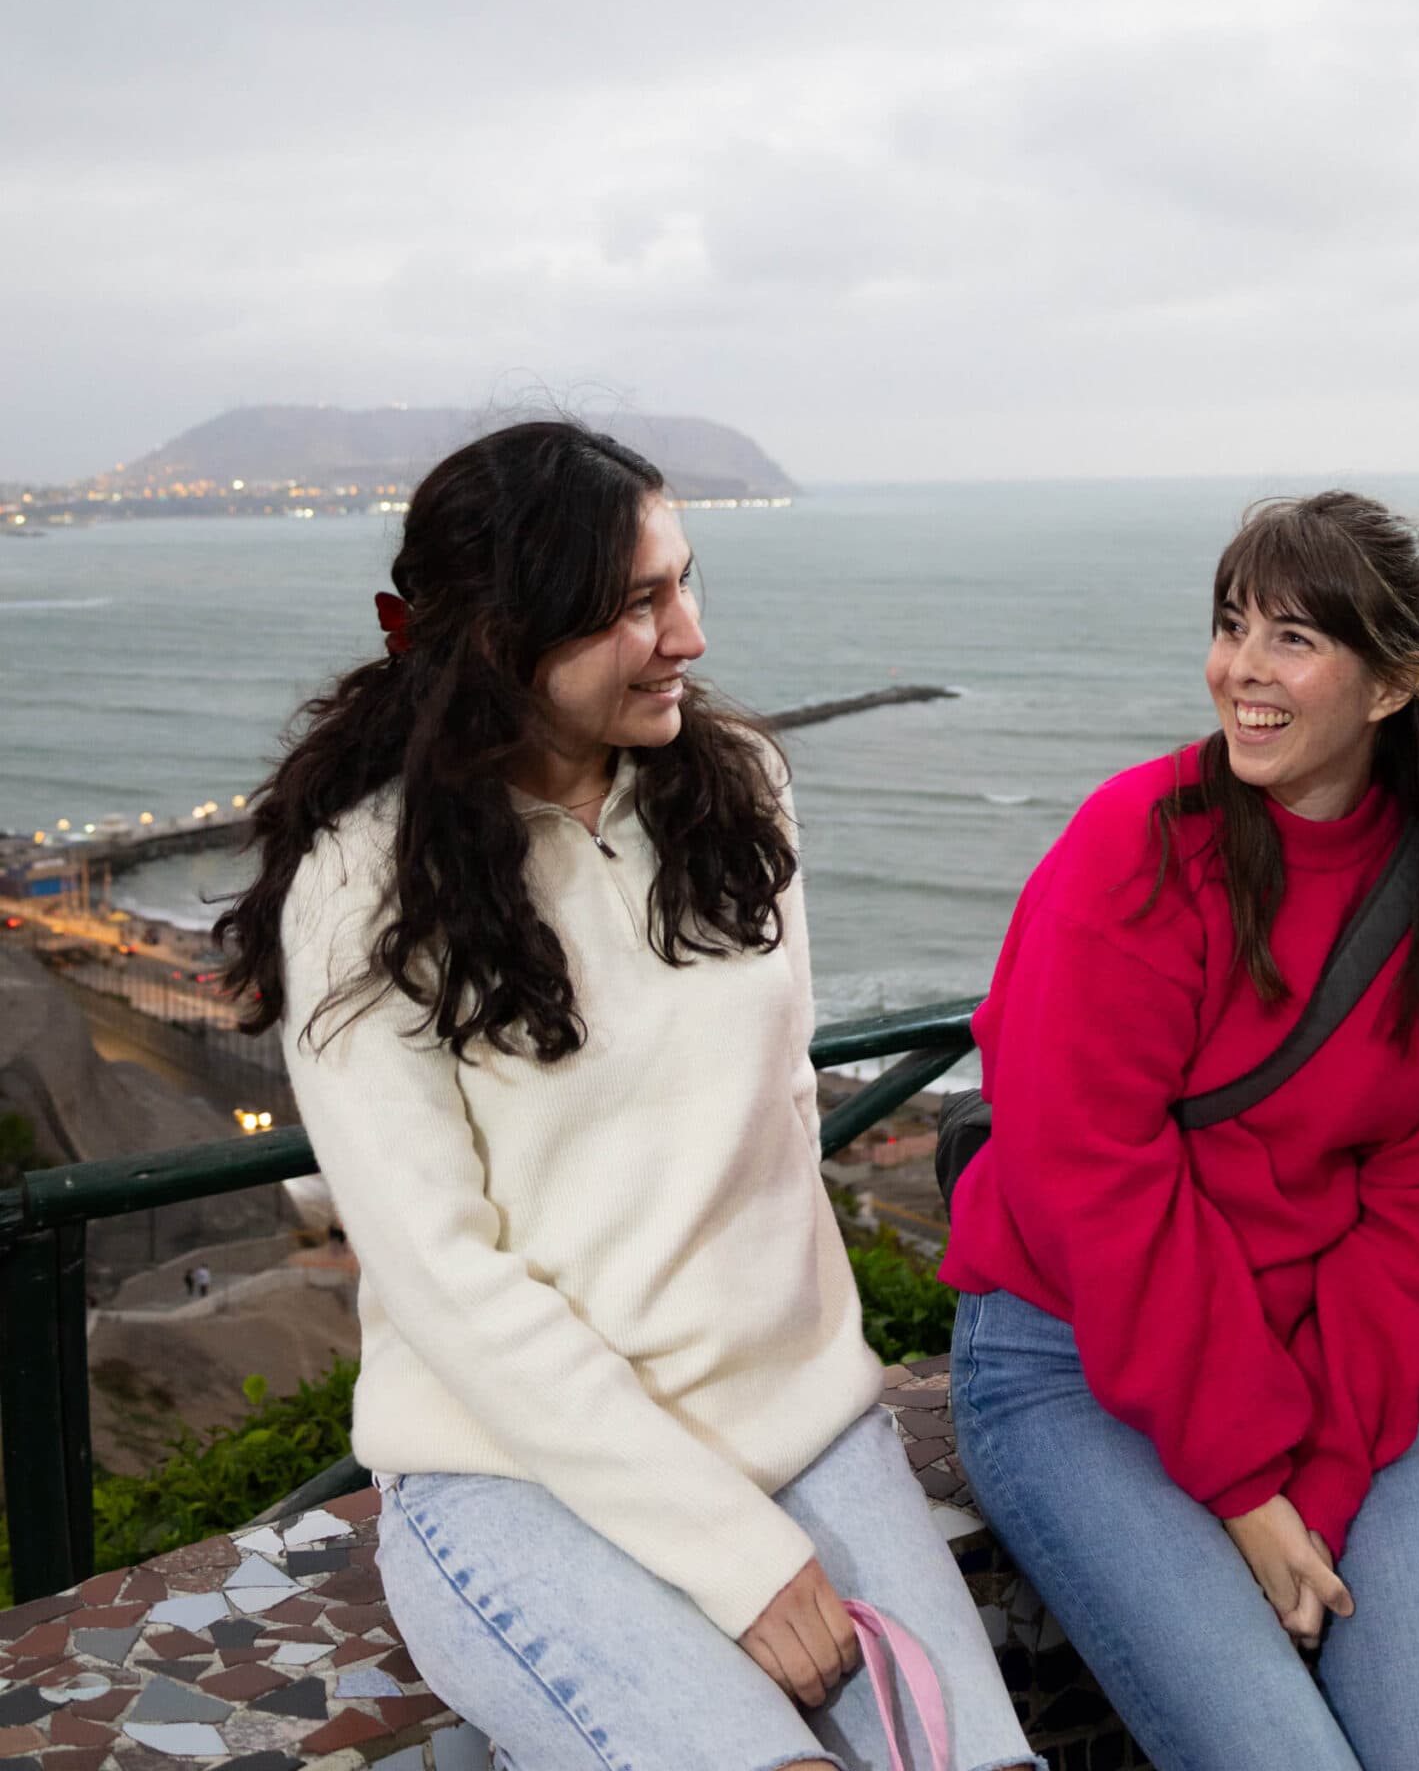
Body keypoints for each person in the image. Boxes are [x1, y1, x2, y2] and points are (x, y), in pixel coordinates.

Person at [217, 419, 1035, 1771]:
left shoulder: (739, 796)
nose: (690, 636)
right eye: (635, 605)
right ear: (497, 636)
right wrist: (728, 1555)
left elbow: (772, 1120)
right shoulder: (363, 887)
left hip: (797, 1426)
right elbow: (442, 1277)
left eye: (685, 583)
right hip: (514, 1471)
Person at [941, 491, 1419, 1771]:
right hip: (1066, 1358)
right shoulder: (1141, 846)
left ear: (1392, 687)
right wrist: (1241, 1483)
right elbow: (1087, 1179)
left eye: (1294, 639)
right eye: (1232, 626)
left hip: (1321, 1375)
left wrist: (1311, 1486)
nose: (1243, 672)